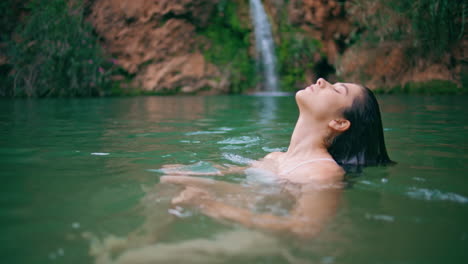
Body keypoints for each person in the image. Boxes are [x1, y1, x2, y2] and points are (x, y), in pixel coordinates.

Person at [160, 78, 393, 240]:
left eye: (336, 90)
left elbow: (304, 228)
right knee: (169, 182)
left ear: (340, 123)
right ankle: (135, 238)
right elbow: (233, 176)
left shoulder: (323, 173)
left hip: (261, 240)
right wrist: (191, 173)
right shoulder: (275, 157)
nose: (322, 81)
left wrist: (210, 206)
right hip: (246, 222)